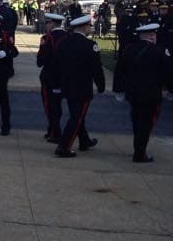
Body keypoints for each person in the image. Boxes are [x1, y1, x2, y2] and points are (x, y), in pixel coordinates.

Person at [113, 23, 173, 162]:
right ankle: (140, 153)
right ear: (153, 36)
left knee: (137, 120)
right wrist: (171, 90)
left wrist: (119, 90)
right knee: (146, 123)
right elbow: (169, 73)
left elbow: (119, 70)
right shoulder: (160, 51)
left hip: (133, 92)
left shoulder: (129, 50)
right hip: (151, 93)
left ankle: (138, 148)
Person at [53, 15, 105, 158]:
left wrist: (57, 83)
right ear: (84, 27)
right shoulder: (89, 45)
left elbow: (56, 65)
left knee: (77, 115)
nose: (90, 29)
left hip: (67, 86)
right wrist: (101, 85)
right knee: (76, 117)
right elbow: (96, 69)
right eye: (89, 26)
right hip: (82, 87)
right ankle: (64, 147)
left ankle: (84, 140)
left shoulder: (64, 42)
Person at [37, 13, 68, 143]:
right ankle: (52, 131)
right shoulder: (69, 37)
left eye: (46, 23)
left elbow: (40, 61)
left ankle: (55, 132)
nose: (45, 26)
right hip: (65, 78)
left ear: (52, 24)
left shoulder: (47, 38)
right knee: (58, 106)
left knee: (50, 106)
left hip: (49, 78)